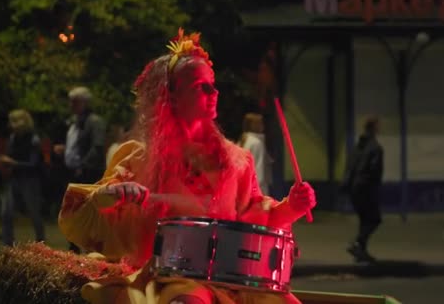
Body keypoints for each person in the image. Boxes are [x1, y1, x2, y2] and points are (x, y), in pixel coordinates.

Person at [58, 28, 316, 304]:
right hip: (167, 276)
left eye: (213, 85)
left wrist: (292, 207)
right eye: (200, 86)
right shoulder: (141, 158)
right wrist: (113, 196)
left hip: (229, 280)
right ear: (172, 97)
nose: (213, 92)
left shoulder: (237, 161)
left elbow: (252, 217)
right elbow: (89, 217)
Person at [53, 86, 106, 252]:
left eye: (75, 102)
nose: (71, 105)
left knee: (88, 213)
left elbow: (97, 147)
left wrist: (82, 165)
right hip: (75, 172)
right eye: (71, 102)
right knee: (73, 211)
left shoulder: (94, 121)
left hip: (87, 174)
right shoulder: (75, 122)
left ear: (85, 102)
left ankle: (91, 248)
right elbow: (77, 144)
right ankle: (75, 245)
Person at [0, 109, 46, 246]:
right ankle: (8, 245)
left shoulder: (33, 139)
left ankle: (41, 242)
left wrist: (13, 163)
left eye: (14, 121)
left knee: (34, 212)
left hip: (30, 179)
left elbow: (33, 164)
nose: (10, 125)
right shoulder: (13, 138)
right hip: (14, 178)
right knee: (6, 212)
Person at [342, 117, 384, 263]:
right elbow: (374, 171)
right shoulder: (375, 148)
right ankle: (358, 243)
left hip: (354, 188)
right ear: (374, 128)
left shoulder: (358, 146)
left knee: (364, 219)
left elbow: (349, 166)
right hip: (366, 188)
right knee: (374, 219)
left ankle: (361, 251)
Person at [238, 113, 273, 195]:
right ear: (254, 125)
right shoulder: (256, 143)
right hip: (257, 189)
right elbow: (259, 169)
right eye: (260, 123)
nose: (263, 126)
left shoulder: (243, 141)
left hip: (246, 187)